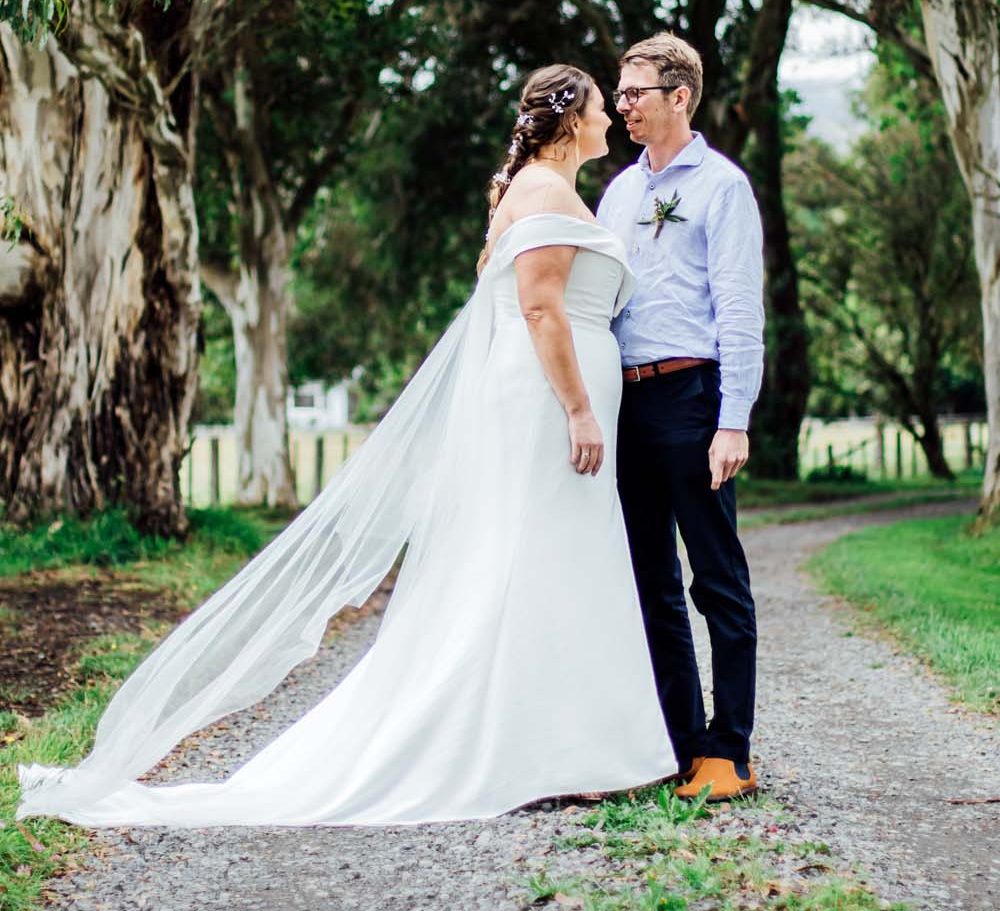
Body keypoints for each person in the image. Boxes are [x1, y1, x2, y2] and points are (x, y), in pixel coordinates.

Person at [18, 64, 675, 829]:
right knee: (542, 558)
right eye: (602, 106)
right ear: (571, 119)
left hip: (544, 398)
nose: (611, 118)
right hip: (548, 401)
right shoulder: (545, 192)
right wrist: (579, 409)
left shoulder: (541, 189)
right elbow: (539, 311)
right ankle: (545, 749)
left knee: (543, 559)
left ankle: (558, 743)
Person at [596, 32, 764, 804]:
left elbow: (739, 311)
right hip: (627, 403)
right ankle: (680, 745)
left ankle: (730, 751)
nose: (622, 103)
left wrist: (734, 419)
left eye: (635, 91)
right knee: (650, 582)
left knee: (717, 580)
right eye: (620, 93)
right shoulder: (620, 192)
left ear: (679, 97)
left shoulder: (722, 188)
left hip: (695, 402)